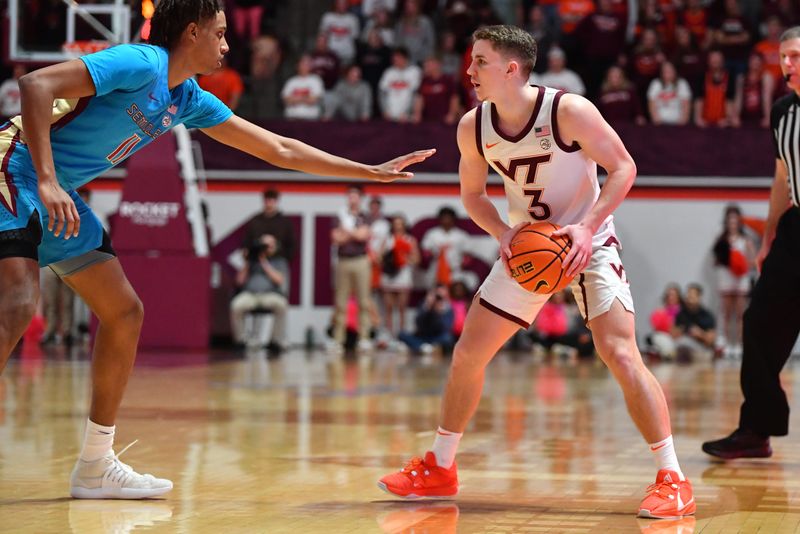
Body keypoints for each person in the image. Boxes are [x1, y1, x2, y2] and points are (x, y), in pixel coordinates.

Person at [0, 0, 434, 500]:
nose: (228, 45)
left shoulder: (186, 99)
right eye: (220, 34)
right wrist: (49, 180)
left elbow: (281, 149)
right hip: (16, 169)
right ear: (191, 32)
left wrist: (371, 171)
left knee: (123, 313)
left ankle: (96, 464)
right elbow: (36, 85)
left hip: (58, 193)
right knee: (17, 302)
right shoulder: (141, 63)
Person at [378, 25, 694, 520]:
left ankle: (673, 476)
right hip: (528, 247)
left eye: (480, 61)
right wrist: (503, 235)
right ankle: (440, 466)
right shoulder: (472, 126)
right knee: (467, 354)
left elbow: (624, 166)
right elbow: (473, 196)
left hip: (587, 242)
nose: (469, 70)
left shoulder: (568, 111)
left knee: (619, 352)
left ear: (511, 68)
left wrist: (588, 228)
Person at [702, 27, 800, 461]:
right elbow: (783, 177)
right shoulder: (782, 112)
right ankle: (756, 428)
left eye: (796, 55)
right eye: (783, 57)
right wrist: (769, 235)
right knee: (759, 325)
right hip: (796, 228)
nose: (788, 65)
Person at [229, 235, 288, 353]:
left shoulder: (279, 261)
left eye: (271, 245)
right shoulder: (250, 261)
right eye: (265, 245)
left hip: (269, 295)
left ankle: (274, 341)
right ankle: (240, 341)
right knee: (236, 305)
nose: (268, 248)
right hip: (250, 295)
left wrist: (264, 262)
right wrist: (247, 262)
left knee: (281, 305)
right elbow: (239, 281)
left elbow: (279, 280)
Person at [711, 205, 755, 357]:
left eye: (735, 219)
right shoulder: (721, 239)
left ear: (739, 221)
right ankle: (726, 343)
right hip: (726, 277)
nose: (733, 222)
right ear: (726, 221)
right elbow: (716, 260)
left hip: (741, 278)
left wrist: (741, 264)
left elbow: (753, 261)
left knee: (741, 313)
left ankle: (740, 344)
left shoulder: (745, 240)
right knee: (726, 313)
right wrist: (727, 260)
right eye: (730, 219)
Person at [241, 188, 296, 262]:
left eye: (271, 200)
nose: (269, 204)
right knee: (256, 273)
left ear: (276, 201)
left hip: (278, 260)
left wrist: (275, 247)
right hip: (257, 260)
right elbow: (247, 242)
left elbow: (291, 245)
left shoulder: (284, 222)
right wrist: (259, 243)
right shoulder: (255, 221)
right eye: (267, 200)